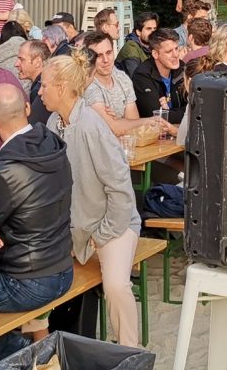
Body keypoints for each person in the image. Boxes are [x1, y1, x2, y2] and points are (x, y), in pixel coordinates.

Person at [41, 55, 142, 348]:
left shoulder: (91, 126)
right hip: (77, 228)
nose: (39, 91)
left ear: (61, 87)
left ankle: (130, 351)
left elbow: (121, 190)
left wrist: (102, 235)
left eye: (44, 85)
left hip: (114, 223)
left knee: (116, 286)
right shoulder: (53, 122)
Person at [0, 83, 74, 359]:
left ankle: (28, 355)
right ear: (28, 108)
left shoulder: (5, 168)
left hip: (27, 282)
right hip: (63, 268)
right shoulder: (52, 144)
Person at [81, 31, 166, 140]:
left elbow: (134, 126)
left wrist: (118, 122)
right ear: (89, 58)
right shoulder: (89, 85)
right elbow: (115, 129)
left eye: (108, 53)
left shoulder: (121, 77)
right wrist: (147, 121)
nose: (106, 60)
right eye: (99, 56)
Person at [129, 29, 188, 126]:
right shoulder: (142, 75)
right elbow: (154, 116)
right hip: (154, 132)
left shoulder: (181, 68)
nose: (176, 55)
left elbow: (195, 107)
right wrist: (184, 113)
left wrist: (167, 112)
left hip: (180, 128)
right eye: (169, 51)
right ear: (155, 54)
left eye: (177, 49)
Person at [16, 40, 52, 126]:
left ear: (37, 62)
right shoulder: (39, 85)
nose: (16, 64)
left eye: (22, 59)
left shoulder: (39, 90)